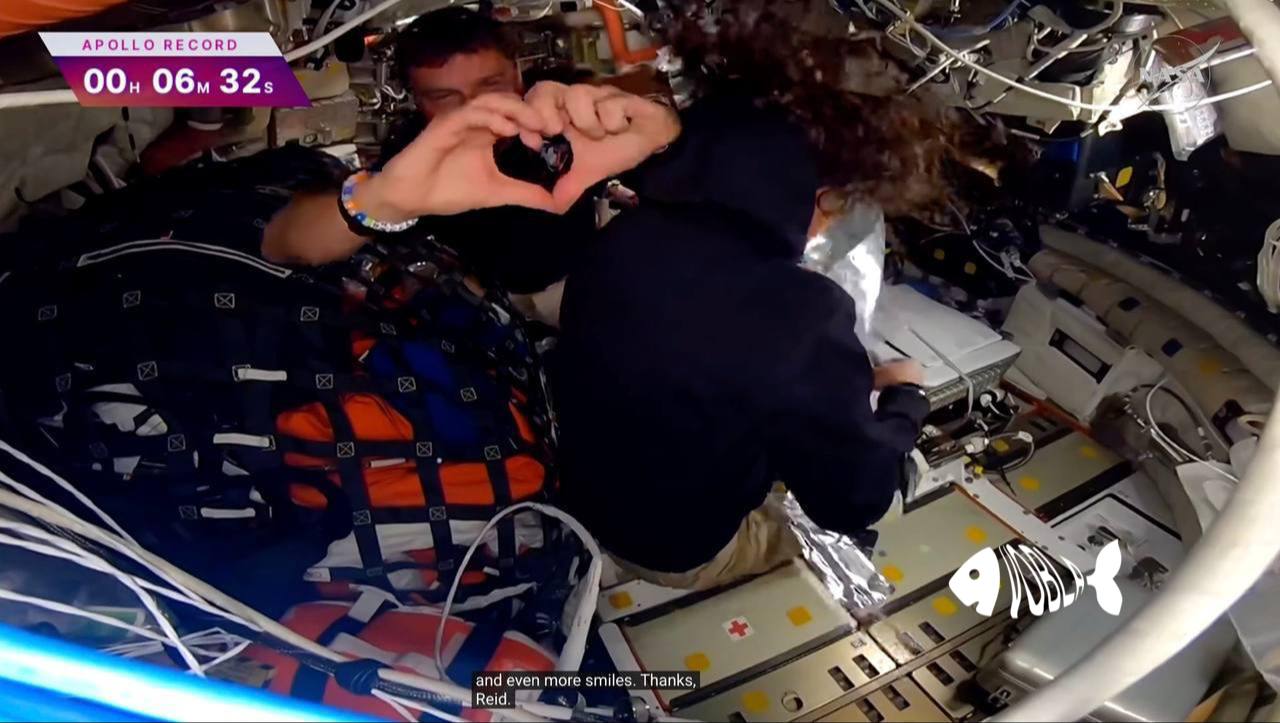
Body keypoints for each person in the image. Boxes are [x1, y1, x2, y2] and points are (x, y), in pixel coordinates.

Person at [262, 5, 595, 294]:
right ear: (418, 101)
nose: (475, 110)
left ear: (518, 74)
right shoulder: (411, 159)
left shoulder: (561, 109)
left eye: (490, 85)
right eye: (445, 97)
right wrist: (376, 199)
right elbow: (289, 245)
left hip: (589, 271)